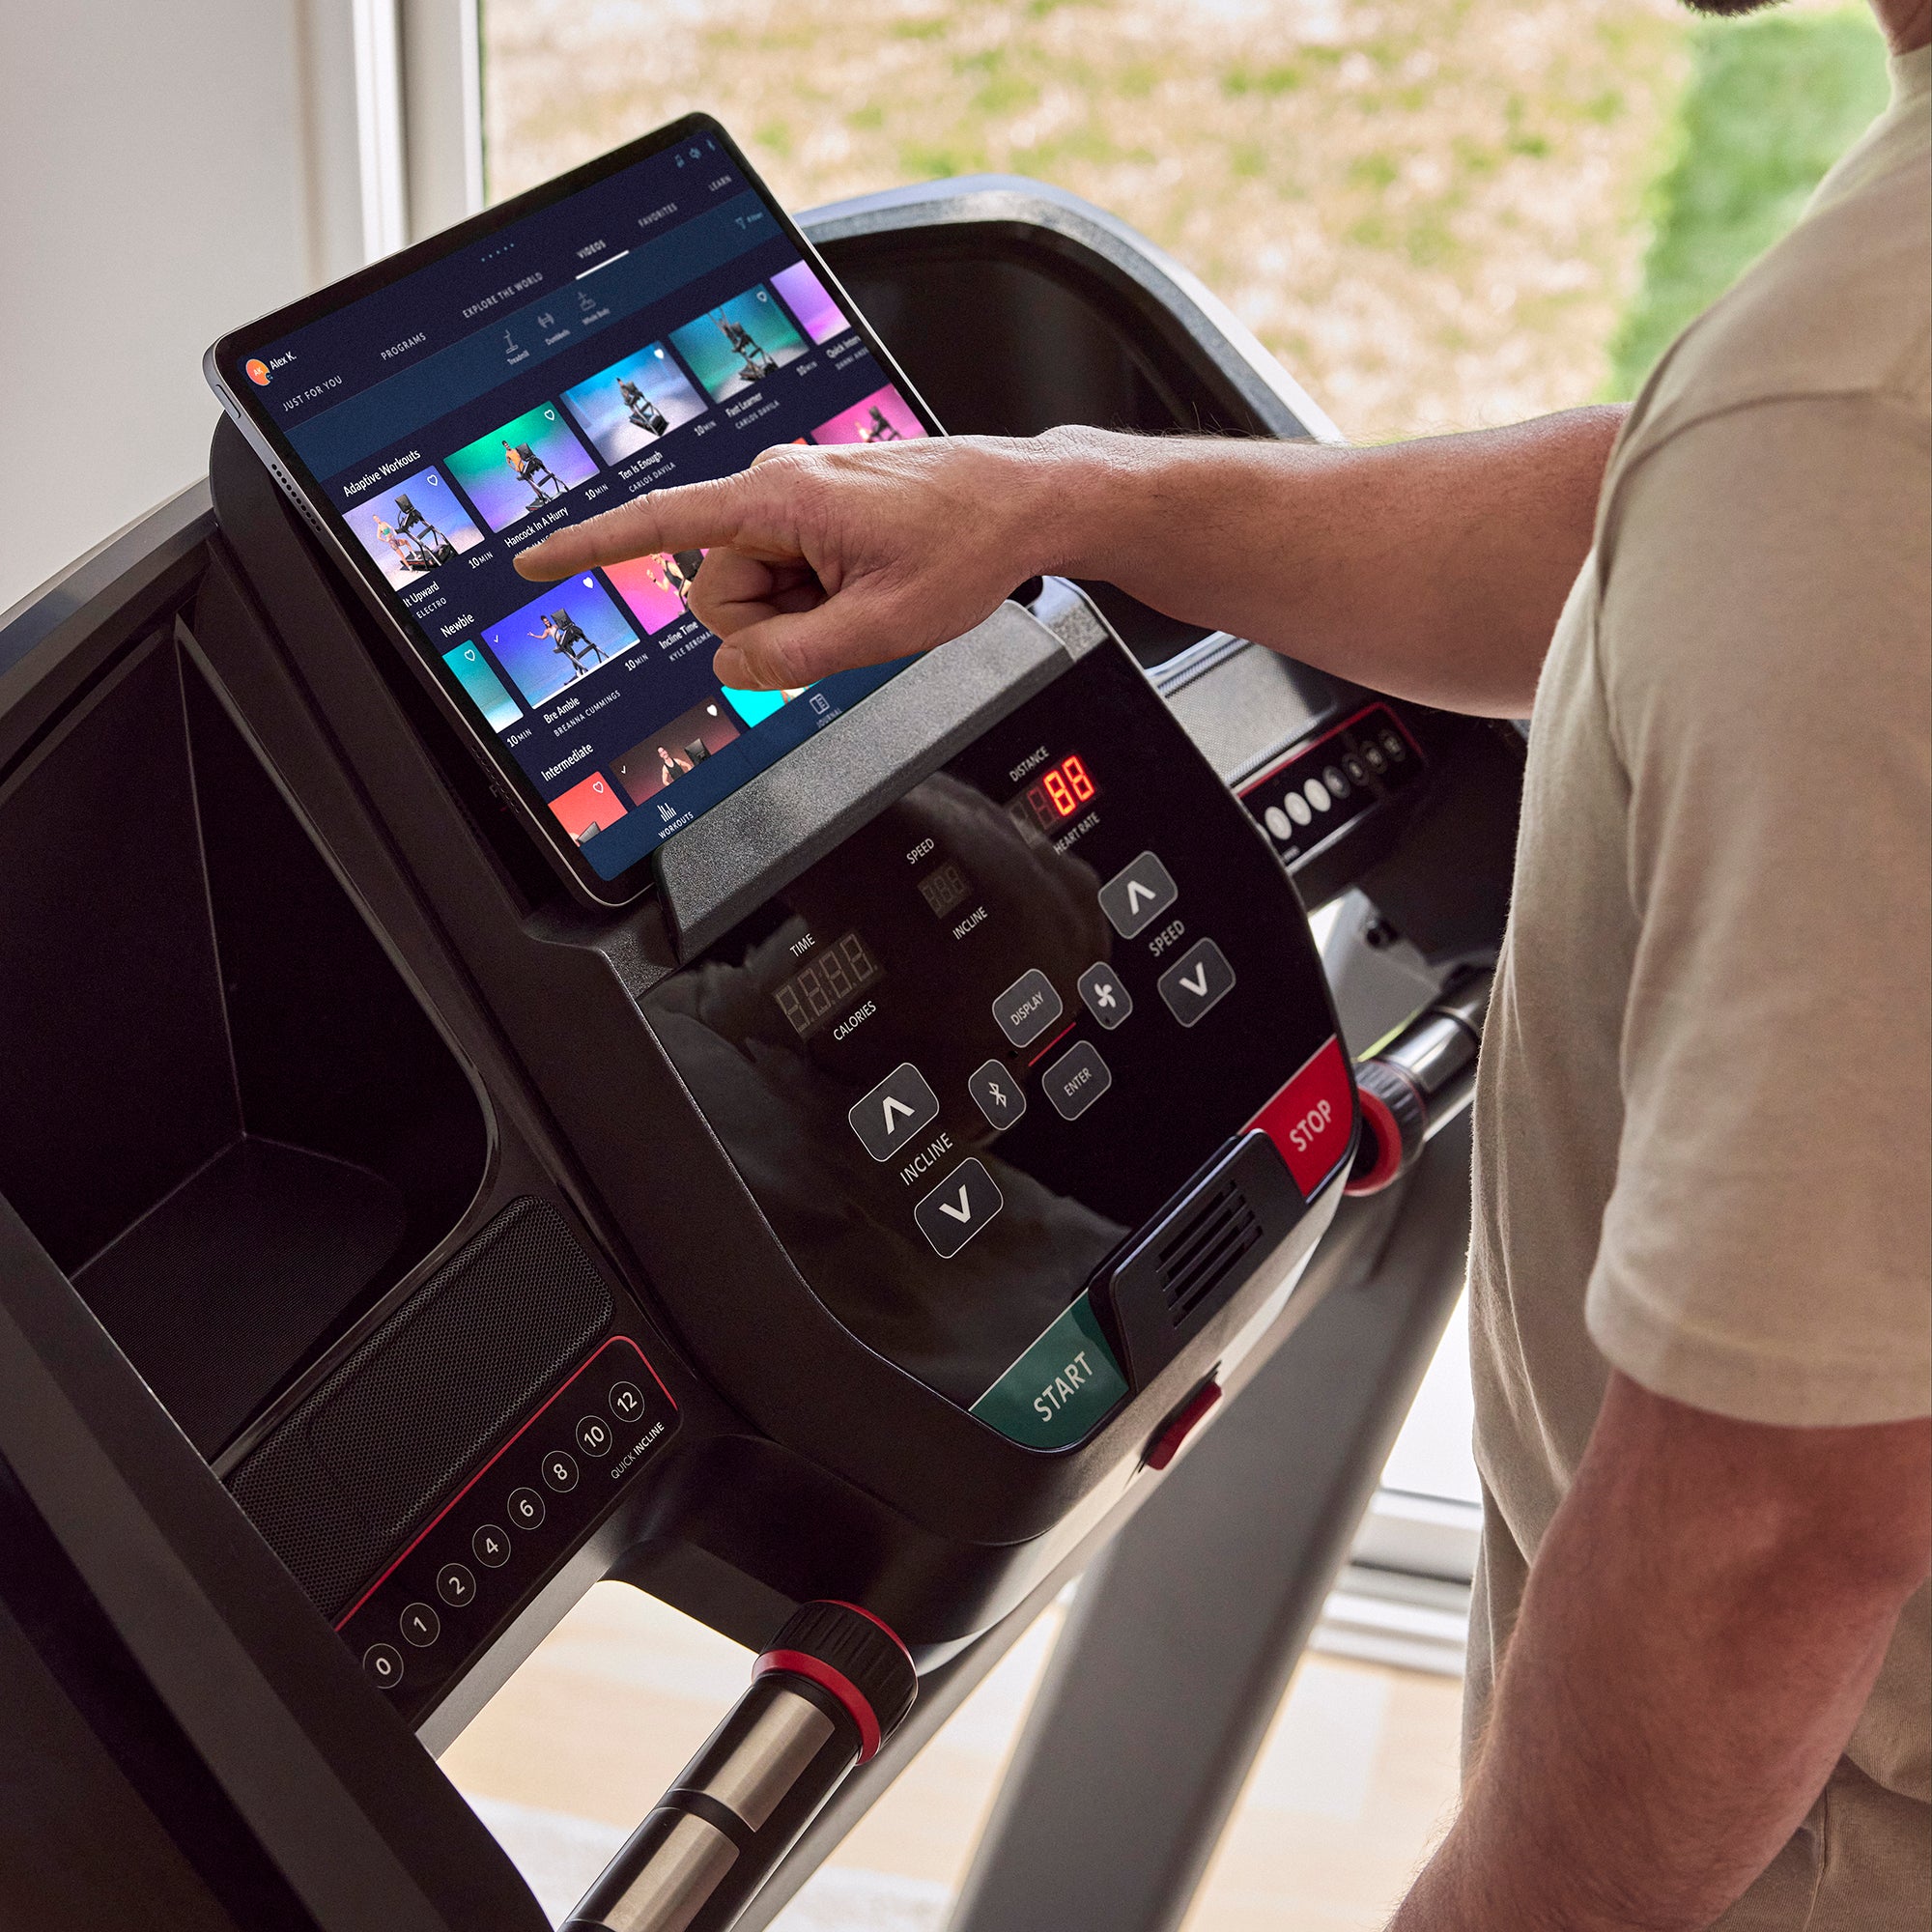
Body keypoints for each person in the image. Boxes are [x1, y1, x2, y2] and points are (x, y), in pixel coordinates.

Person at [518, 5, 1930, 1924]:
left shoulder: (1859, 417)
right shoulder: (1838, 408)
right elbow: (1671, 532)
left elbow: (1774, 1531)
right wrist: (1071, 500)